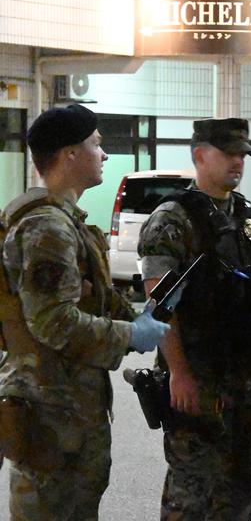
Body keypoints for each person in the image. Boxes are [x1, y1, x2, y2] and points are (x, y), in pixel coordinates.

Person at [0, 104, 169, 520]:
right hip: (50, 417)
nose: (105, 154)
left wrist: (135, 316)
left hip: (65, 415)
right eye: (96, 143)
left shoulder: (63, 223)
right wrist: (130, 335)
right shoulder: (47, 228)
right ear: (69, 154)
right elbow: (54, 323)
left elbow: (81, 301)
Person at [138, 117, 251, 520]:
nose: (238, 162)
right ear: (199, 155)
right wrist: (178, 372)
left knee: (243, 485)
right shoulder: (172, 220)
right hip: (198, 376)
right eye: (228, 154)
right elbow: (161, 304)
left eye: (242, 155)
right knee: (192, 490)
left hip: (247, 379)